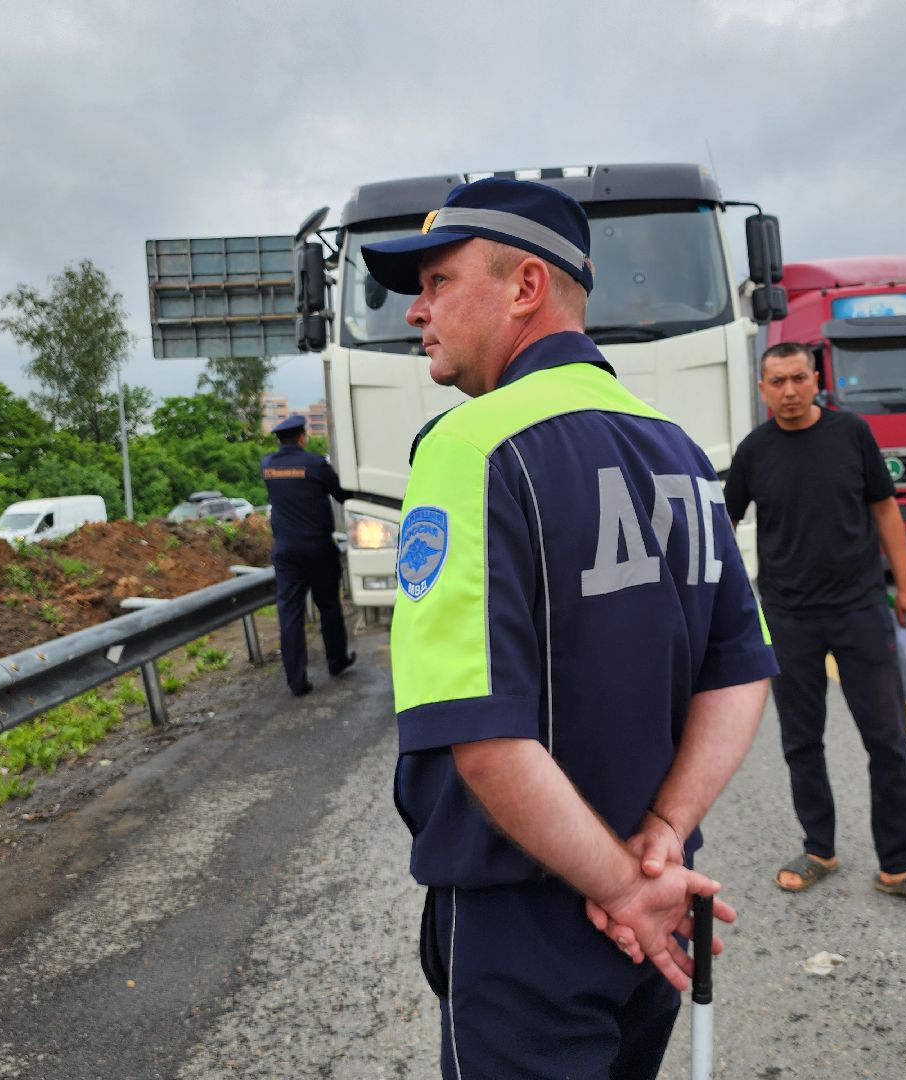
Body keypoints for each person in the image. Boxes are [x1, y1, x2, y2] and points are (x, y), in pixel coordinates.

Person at [361, 176, 777, 1079]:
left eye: (436, 283)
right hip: (656, 906)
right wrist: (662, 837)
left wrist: (622, 888)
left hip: (534, 918)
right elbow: (738, 671)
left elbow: (480, 733)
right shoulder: (678, 448)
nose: (414, 313)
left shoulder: (469, 448)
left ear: (525, 288)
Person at [723, 342, 906, 908]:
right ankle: (819, 849)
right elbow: (724, 523)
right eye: (776, 382)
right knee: (802, 741)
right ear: (762, 390)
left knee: (888, 740)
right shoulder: (754, 451)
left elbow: (884, 509)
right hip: (787, 615)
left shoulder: (852, 434)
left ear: (815, 380)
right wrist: (726, 603)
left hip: (860, 609)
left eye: (798, 378)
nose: (788, 391)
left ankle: (898, 866)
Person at [260, 415, 355, 697]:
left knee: (290, 613)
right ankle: (336, 661)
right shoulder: (315, 464)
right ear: (302, 436)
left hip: (285, 552)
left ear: (280, 439)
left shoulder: (267, 466)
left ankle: (296, 680)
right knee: (328, 606)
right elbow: (341, 494)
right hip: (317, 548)